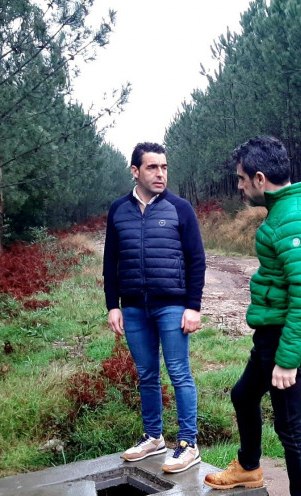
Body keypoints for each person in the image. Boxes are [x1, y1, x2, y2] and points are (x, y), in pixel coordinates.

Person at [204, 135, 301, 496]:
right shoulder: (284, 210)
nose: (239, 187)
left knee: (291, 428)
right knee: (243, 395)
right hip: (271, 335)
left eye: (242, 179)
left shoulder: (292, 218)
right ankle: (248, 466)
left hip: (285, 338)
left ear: (261, 178)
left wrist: (288, 359)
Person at [102, 142, 206, 474]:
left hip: (172, 305)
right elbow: (109, 263)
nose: (160, 173)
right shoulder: (119, 210)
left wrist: (193, 306)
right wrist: (112, 306)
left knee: (179, 373)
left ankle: (188, 443)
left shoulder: (180, 208)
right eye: (152, 167)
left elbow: (196, 261)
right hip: (133, 308)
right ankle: (154, 437)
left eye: (163, 167)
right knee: (146, 374)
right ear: (135, 171)